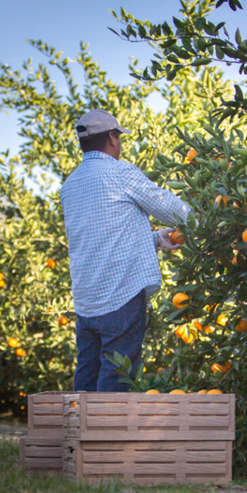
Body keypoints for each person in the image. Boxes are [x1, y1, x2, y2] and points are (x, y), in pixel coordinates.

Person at [60, 109, 191, 392]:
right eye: (119, 137)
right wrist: (210, 223)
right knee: (116, 374)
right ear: (111, 138)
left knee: (88, 370)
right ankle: (105, 437)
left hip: (86, 299)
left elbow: (101, 235)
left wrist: (155, 239)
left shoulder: (69, 186)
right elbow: (169, 208)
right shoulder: (120, 172)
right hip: (120, 295)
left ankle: (76, 434)